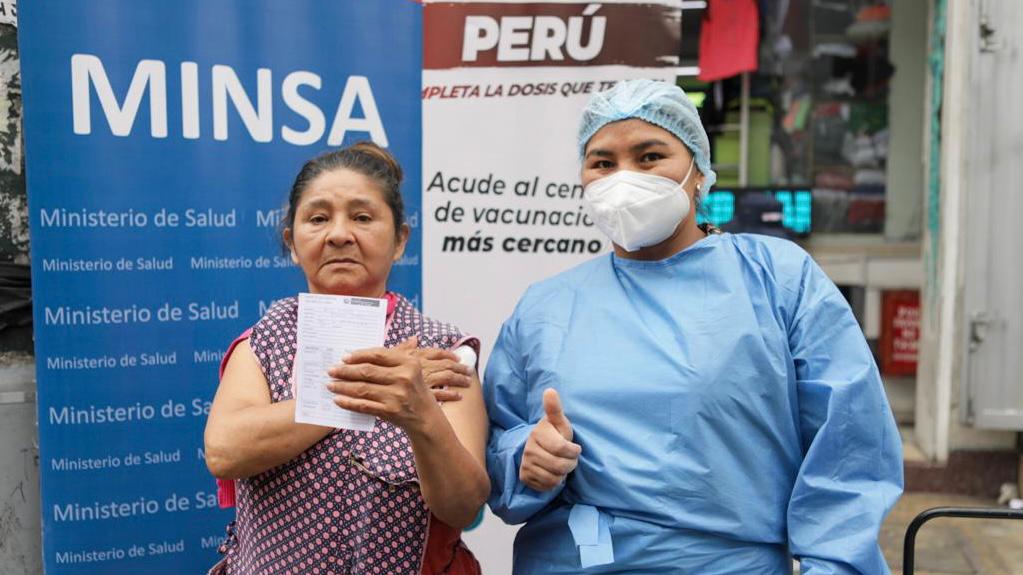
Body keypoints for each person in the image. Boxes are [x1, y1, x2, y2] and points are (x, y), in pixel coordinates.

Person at [485, 79, 903, 574]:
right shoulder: (546, 307)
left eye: (649, 156)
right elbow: (495, 442)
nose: (624, 178)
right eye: (603, 162)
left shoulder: (776, 280)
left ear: (699, 172)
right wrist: (526, 461)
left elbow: (848, 447)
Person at [204, 142, 489, 575]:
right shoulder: (266, 339)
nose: (339, 234)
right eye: (318, 218)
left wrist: (419, 413)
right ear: (293, 242)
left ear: (400, 240)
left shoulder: (443, 352)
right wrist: (367, 390)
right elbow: (225, 451)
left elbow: (463, 506)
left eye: (362, 217)